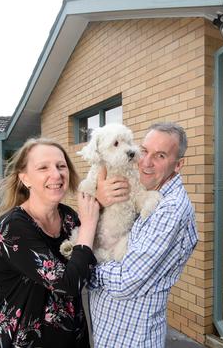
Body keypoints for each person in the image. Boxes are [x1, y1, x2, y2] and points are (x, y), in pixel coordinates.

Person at [88, 122, 199, 347]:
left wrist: (85, 267)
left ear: (178, 165)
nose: (145, 162)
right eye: (145, 150)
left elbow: (126, 281)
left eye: (160, 156)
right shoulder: (148, 191)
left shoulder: (170, 209)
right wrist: (99, 201)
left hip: (131, 338)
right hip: (110, 332)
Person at [0, 138, 100, 348]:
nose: (56, 174)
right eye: (43, 167)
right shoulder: (12, 227)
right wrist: (89, 224)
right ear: (25, 178)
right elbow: (69, 284)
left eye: (61, 166)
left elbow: (86, 267)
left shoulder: (69, 217)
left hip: (72, 338)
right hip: (24, 341)